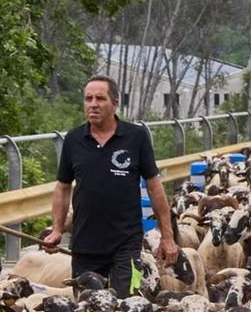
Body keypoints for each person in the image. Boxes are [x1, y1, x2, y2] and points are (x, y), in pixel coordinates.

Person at [39, 75, 178, 298]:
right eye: (88, 98)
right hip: (84, 244)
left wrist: (168, 237)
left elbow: (154, 187)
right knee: (88, 311)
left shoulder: (136, 138)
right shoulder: (73, 140)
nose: (93, 104)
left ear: (114, 103)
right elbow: (63, 187)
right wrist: (56, 229)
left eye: (100, 98)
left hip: (126, 244)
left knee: (126, 307)